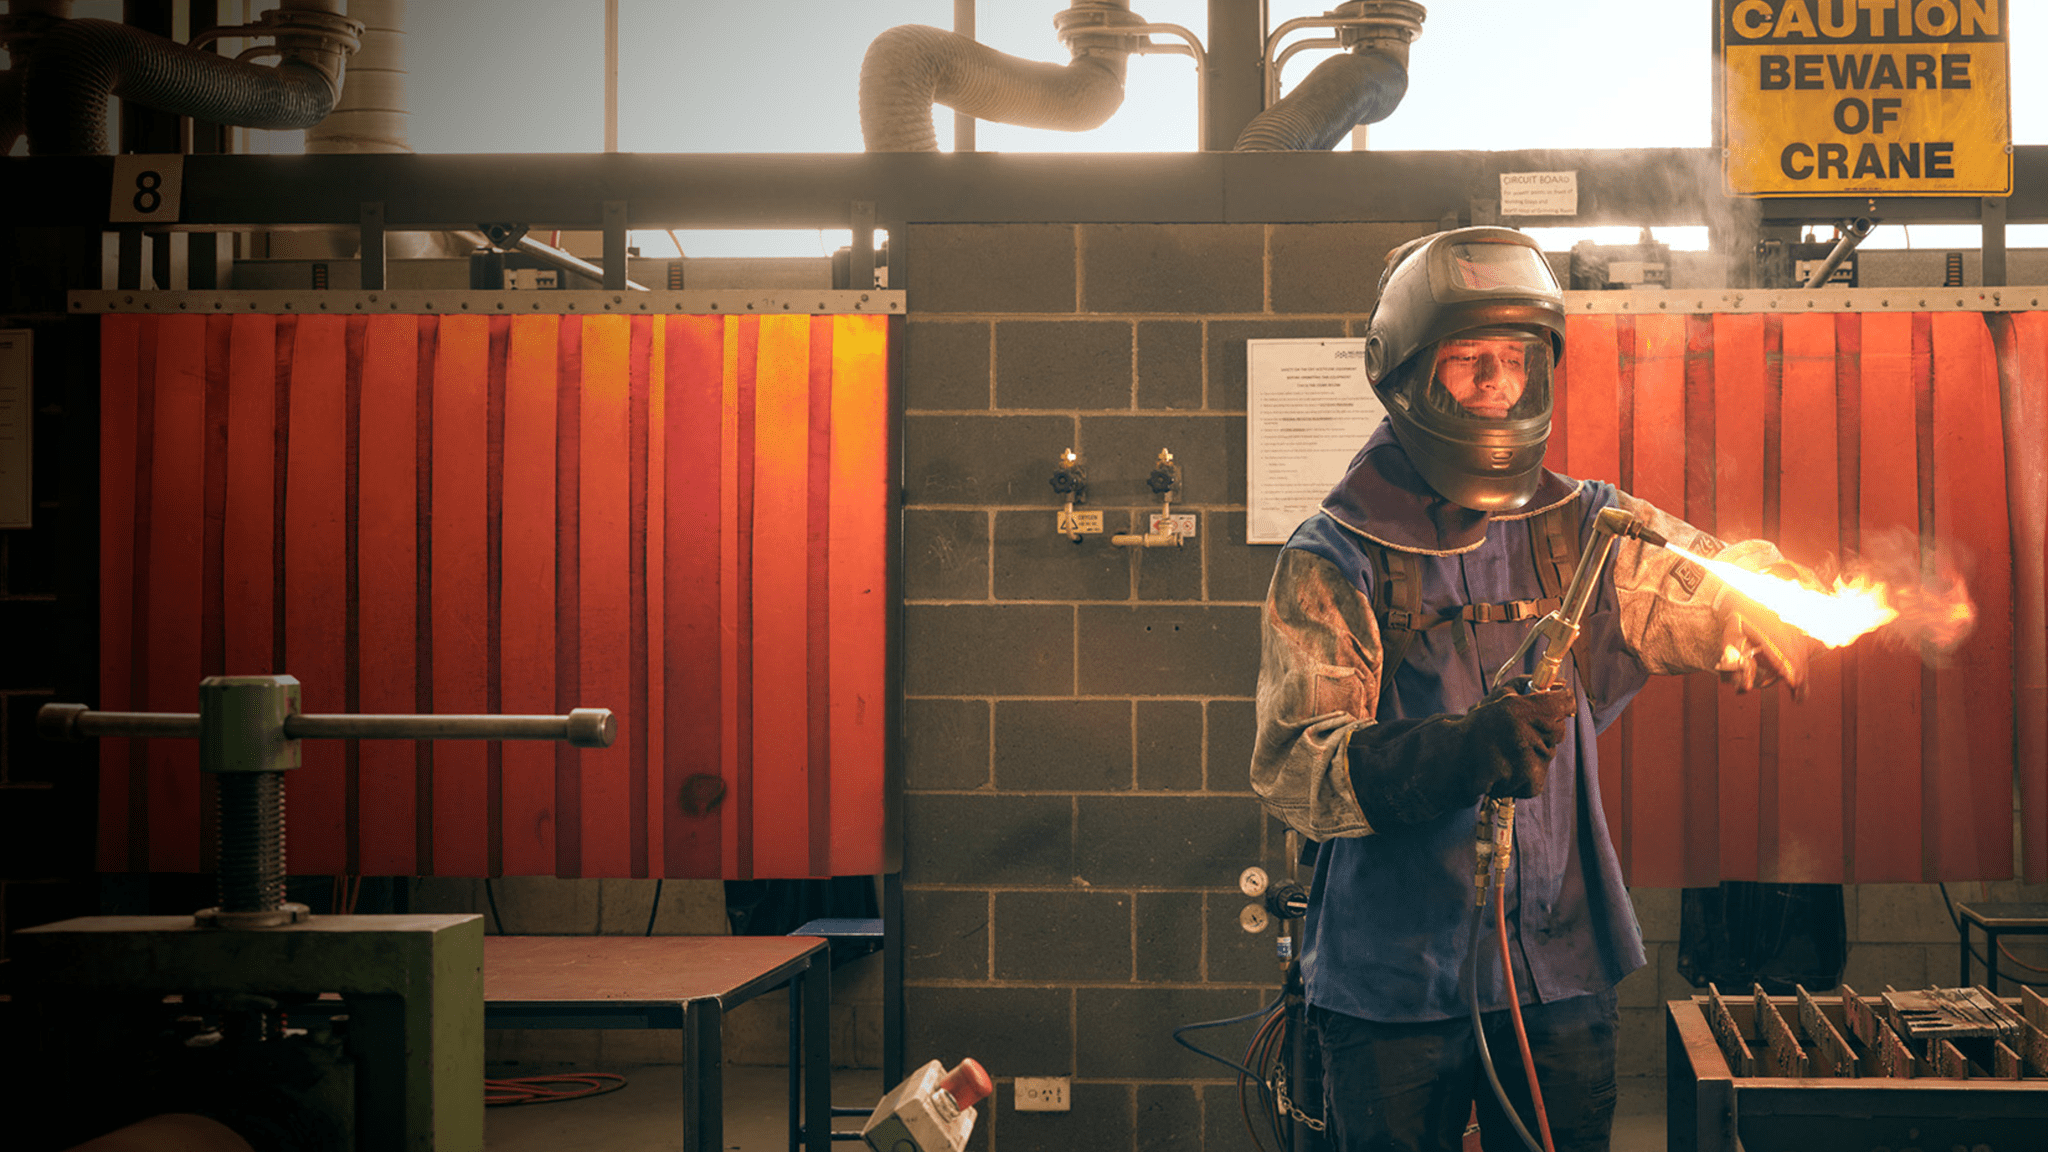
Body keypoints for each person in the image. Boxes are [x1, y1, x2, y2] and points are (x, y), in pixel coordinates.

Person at [1250, 227, 1815, 1152]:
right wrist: (1461, 750)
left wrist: (1757, 604)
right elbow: (1296, 767)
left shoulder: (1581, 525)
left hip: (1556, 968)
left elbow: (1703, 583)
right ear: (1407, 373)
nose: (1495, 383)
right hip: (1392, 983)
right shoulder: (1337, 554)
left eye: (1514, 360)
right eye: (1467, 358)